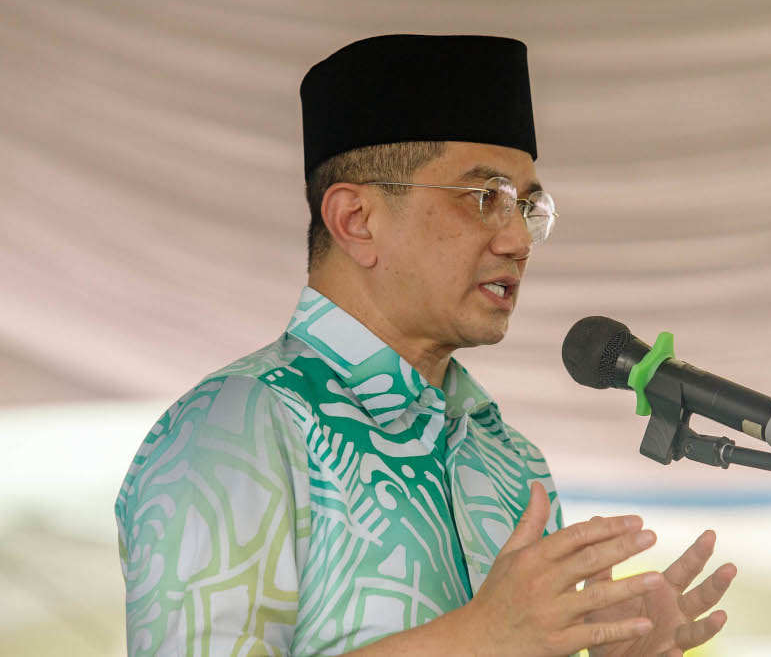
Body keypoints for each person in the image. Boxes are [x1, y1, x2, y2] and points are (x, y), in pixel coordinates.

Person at [113, 34, 736, 656]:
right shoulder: (240, 423)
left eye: (528, 205)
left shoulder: (511, 459)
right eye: (485, 198)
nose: (518, 238)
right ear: (357, 221)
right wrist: (477, 638)